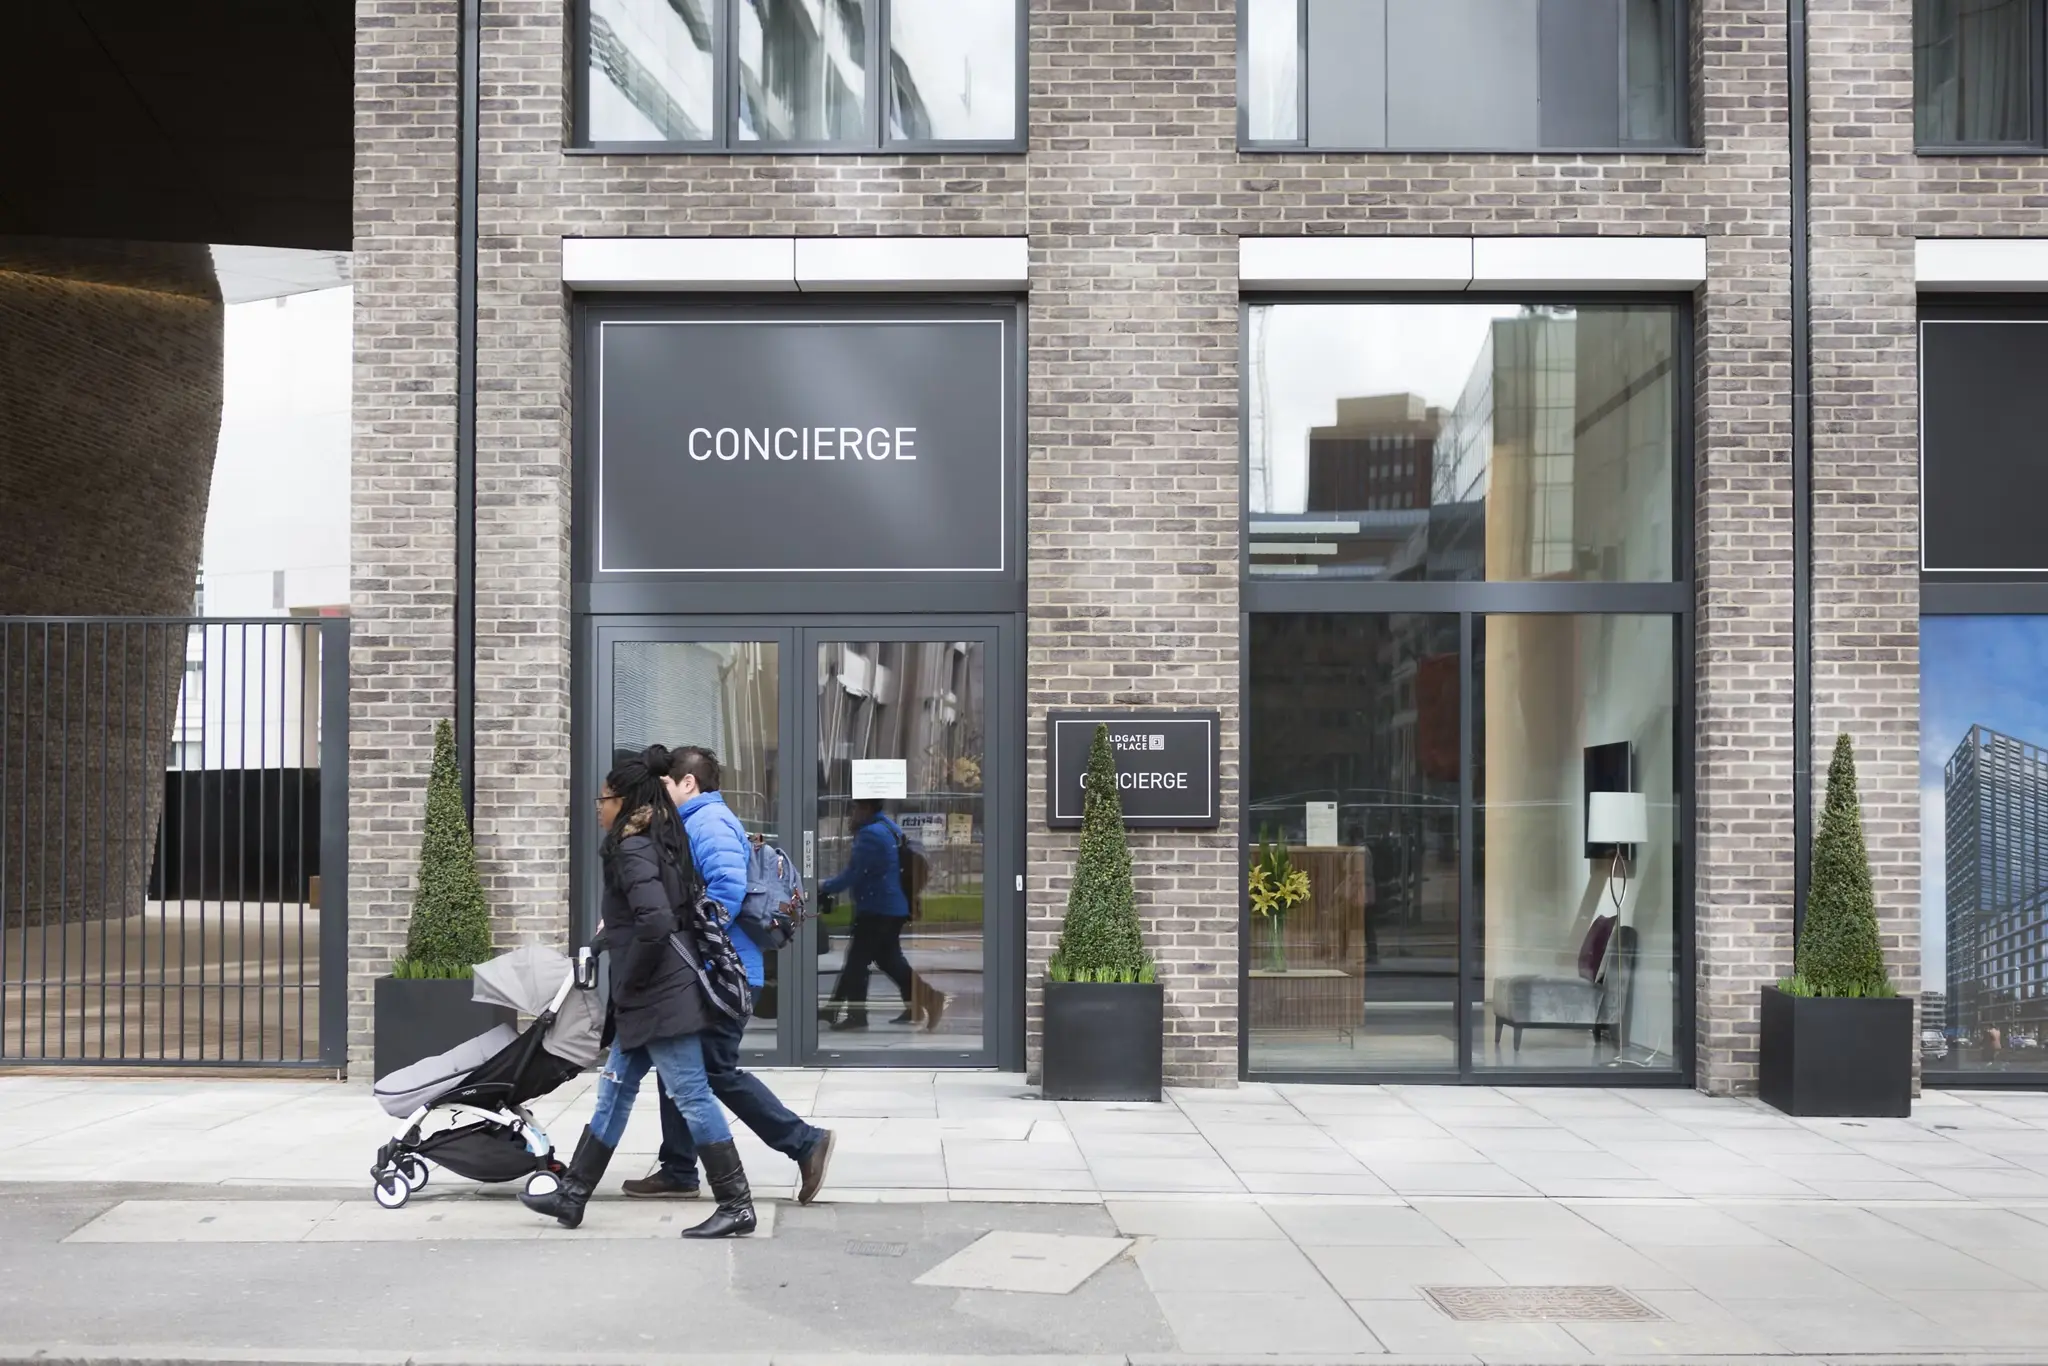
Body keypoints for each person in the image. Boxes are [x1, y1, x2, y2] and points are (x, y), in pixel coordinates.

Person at [519, 751, 756, 1238]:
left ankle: (737, 1203)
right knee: (615, 1090)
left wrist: (631, 979)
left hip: (659, 996)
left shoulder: (634, 848)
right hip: (651, 994)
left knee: (691, 1093)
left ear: (623, 800)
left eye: (603, 798)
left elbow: (656, 921)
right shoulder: (659, 840)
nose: (598, 807)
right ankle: (573, 1196)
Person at [620, 744, 837, 1205]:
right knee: (675, 1064)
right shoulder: (697, 820)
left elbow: (727, 889)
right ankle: (678, 1168)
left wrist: (696, 935)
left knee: (715, 1070)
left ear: (688, 783)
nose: (662, 794)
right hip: (713, 968)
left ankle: (804, 1141)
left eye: (666, 785)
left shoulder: (709, 822)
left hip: (724, 970)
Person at [819, 797, 944, 1031]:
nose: (852, 815)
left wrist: (824, 885)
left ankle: (855, 1016)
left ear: (866, 809)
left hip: (877, 909)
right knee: (889, 961)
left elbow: (854, 873)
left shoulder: (871, 835)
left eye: (855, 809)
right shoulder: (889, 826)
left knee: (857, 962)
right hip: (891, 907)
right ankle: (924, 1000)